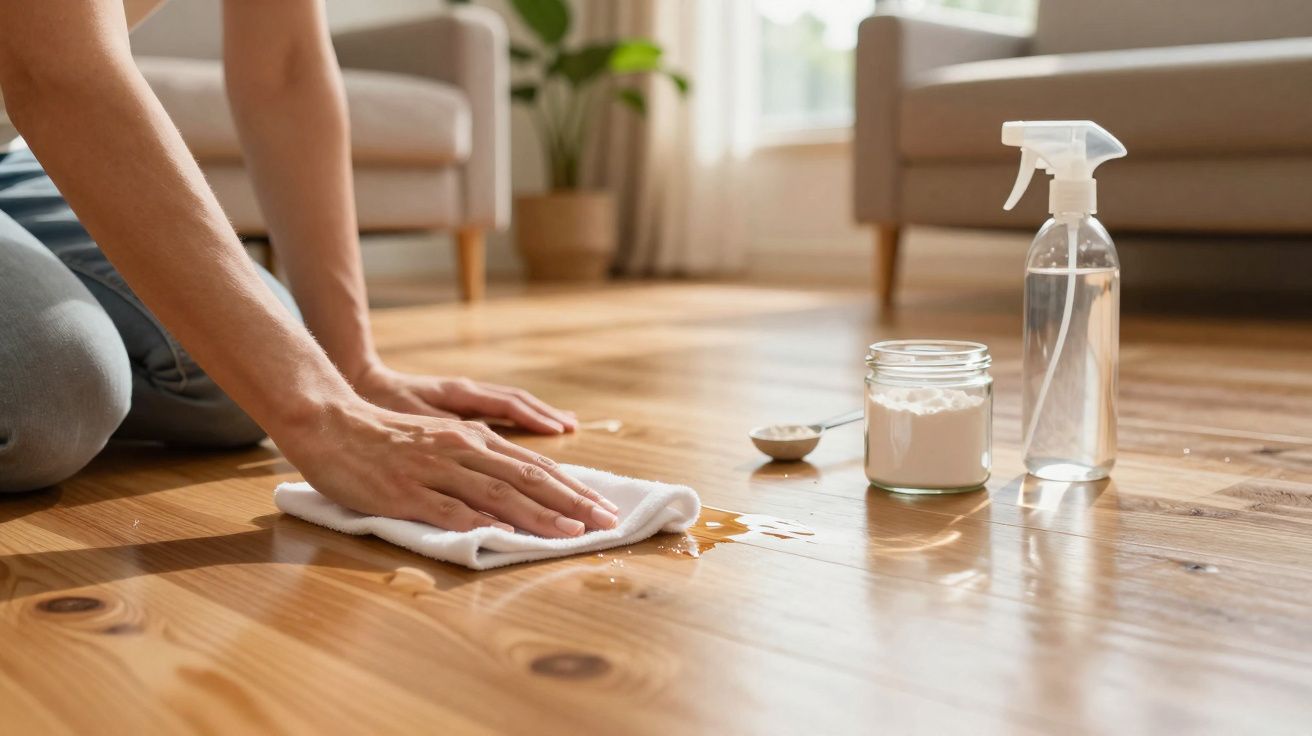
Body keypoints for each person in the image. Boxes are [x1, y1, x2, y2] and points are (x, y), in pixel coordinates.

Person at [0, 0, 621, 538]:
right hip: (36, 85)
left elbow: (286, 67)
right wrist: (318, 414)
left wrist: (349, 373)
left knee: (237, 384)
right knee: (57, 402)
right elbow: (51, 65)